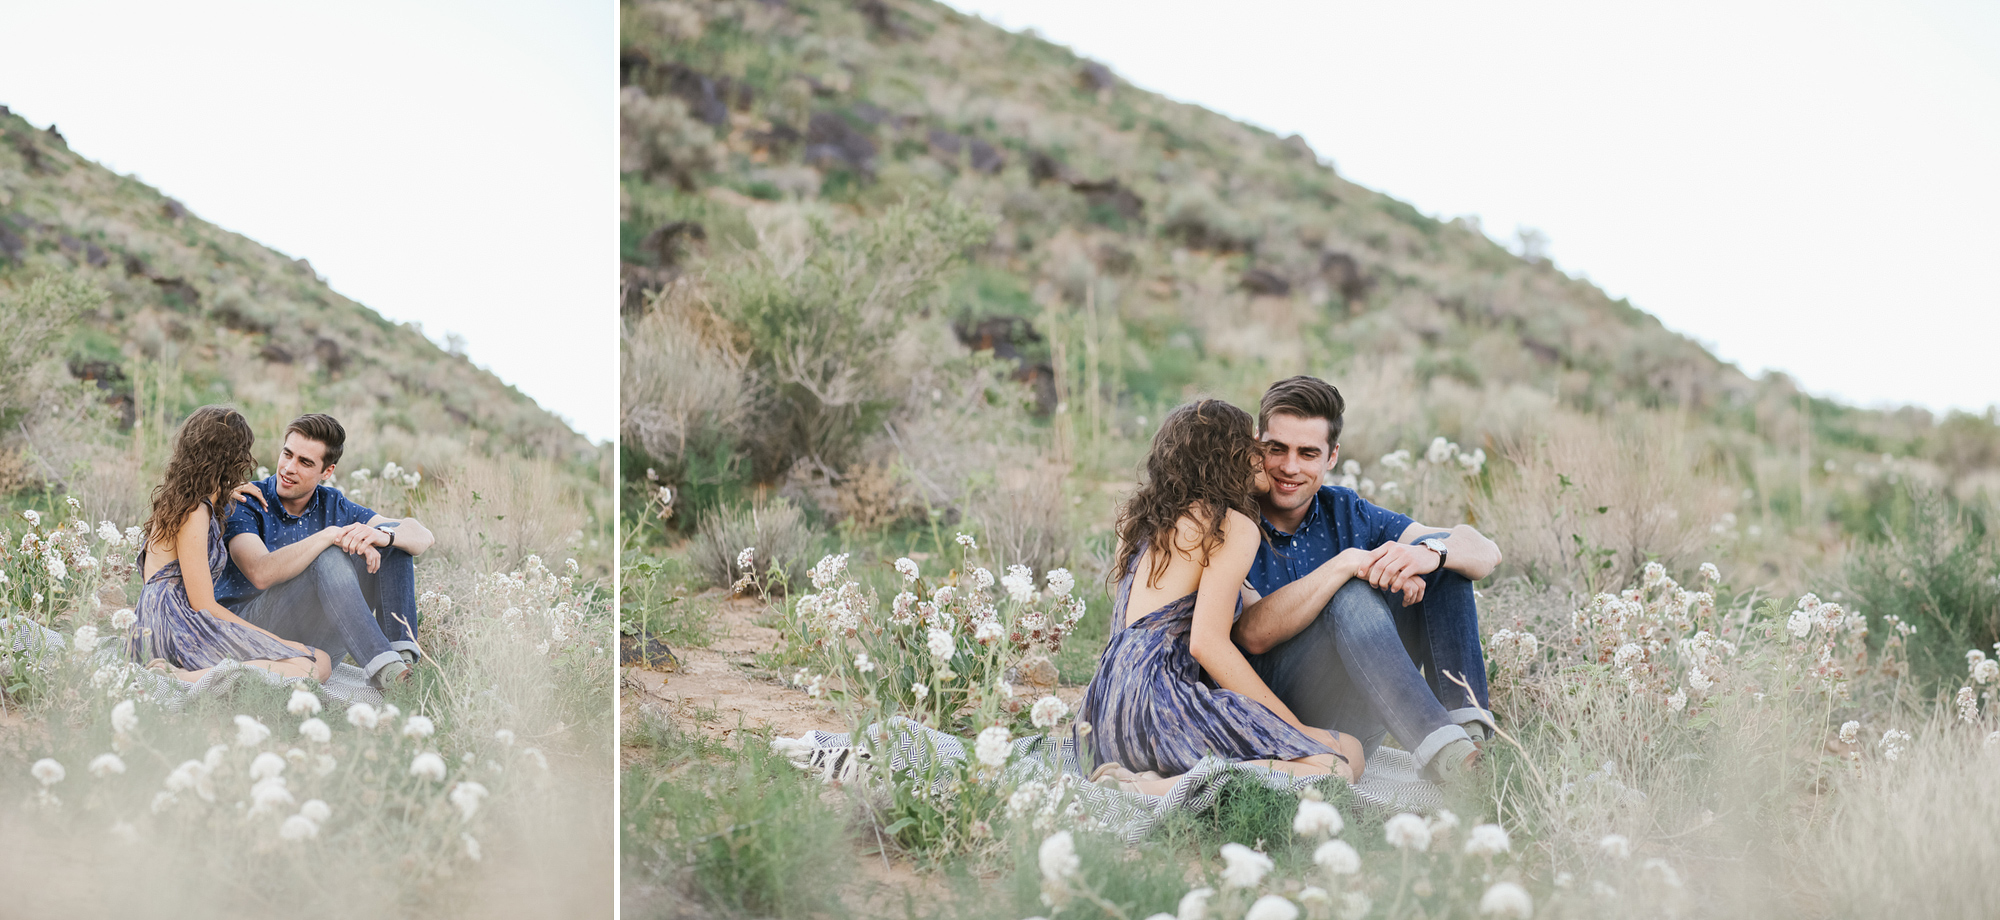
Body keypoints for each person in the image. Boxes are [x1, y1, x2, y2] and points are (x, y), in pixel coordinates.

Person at [1074, 398, 1365, 790]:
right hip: (1159, 704)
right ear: (1225, 457)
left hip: (1102, 714)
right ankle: (1148, 788)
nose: (1263, 454)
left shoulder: (1141, 521)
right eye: (1251, 445)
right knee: (1339, 767)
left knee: (1350, 747)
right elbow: (1207, 645)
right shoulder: (1229, 526)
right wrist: (1291, 728)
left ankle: (1142, 777)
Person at [1234, 375, 1502, 783]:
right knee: (1349, 596)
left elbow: (1485, 552)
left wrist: (1430, 553)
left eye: (1308, 453)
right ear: (1257, 444)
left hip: (1355, 719)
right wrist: (1344, 566)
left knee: (1441, 563)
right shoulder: (1233, 519)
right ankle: (1449, 756)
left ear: (1332, 456)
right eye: (1277, 449)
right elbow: (1249, 635)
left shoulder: (1346, 511)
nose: (1289, 467)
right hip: (1277, 726)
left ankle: (1471, 751)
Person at [213, 413, 435, 689]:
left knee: (391, 540)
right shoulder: (247, 500)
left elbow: (423, 537)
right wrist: (328, 536)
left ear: (327, 472)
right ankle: (386, 668)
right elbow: (260, 572)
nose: (289, 468)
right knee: (327, 555)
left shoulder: (333, 504)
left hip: (316, 644)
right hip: (250, 635)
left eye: (305, 462)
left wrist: (385, 535)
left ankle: (403, 668)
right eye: (287, 454)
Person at [130, 406, 332, 683]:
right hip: (174, 625)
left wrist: (225, 494)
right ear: (230, 458)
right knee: (312, 667)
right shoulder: (194, 512)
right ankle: (178, 677)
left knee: (320, 660)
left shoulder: (192, 502)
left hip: (166, 617)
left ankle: (200, 674)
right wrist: (273, 639)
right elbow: (203, 604)